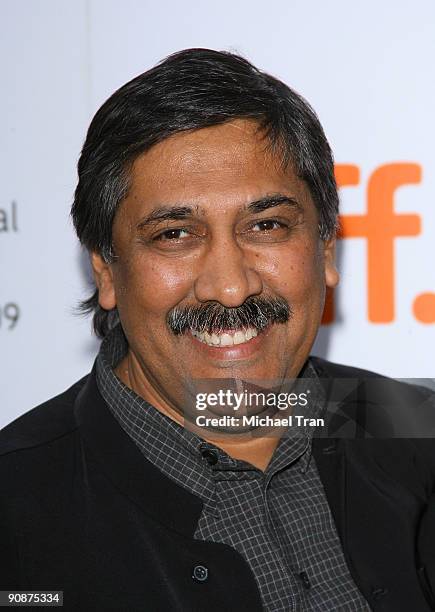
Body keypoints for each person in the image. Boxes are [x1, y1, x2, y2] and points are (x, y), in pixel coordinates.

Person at [1, 48, 435, 612]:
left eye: (266, 225)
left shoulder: (416, 427)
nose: (230, 287)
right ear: (106, 270)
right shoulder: (14, 510)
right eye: (175, 234)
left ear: (326, 248)